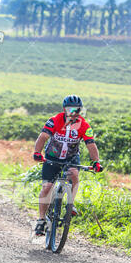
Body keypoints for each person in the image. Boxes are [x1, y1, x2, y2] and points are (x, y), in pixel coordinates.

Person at [33, 95, 103, 237]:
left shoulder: (84, 125)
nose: (74, 112)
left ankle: (70, 203)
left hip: (71, 157)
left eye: (77, 109)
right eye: (71, 109)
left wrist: (96, 162)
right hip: (52, 156)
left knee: (74, 174)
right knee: (47, 188)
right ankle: (41, 220)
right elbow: (43, 137)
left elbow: (91, 144)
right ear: (64, 109)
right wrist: (37, 153)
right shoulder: (54, 120)